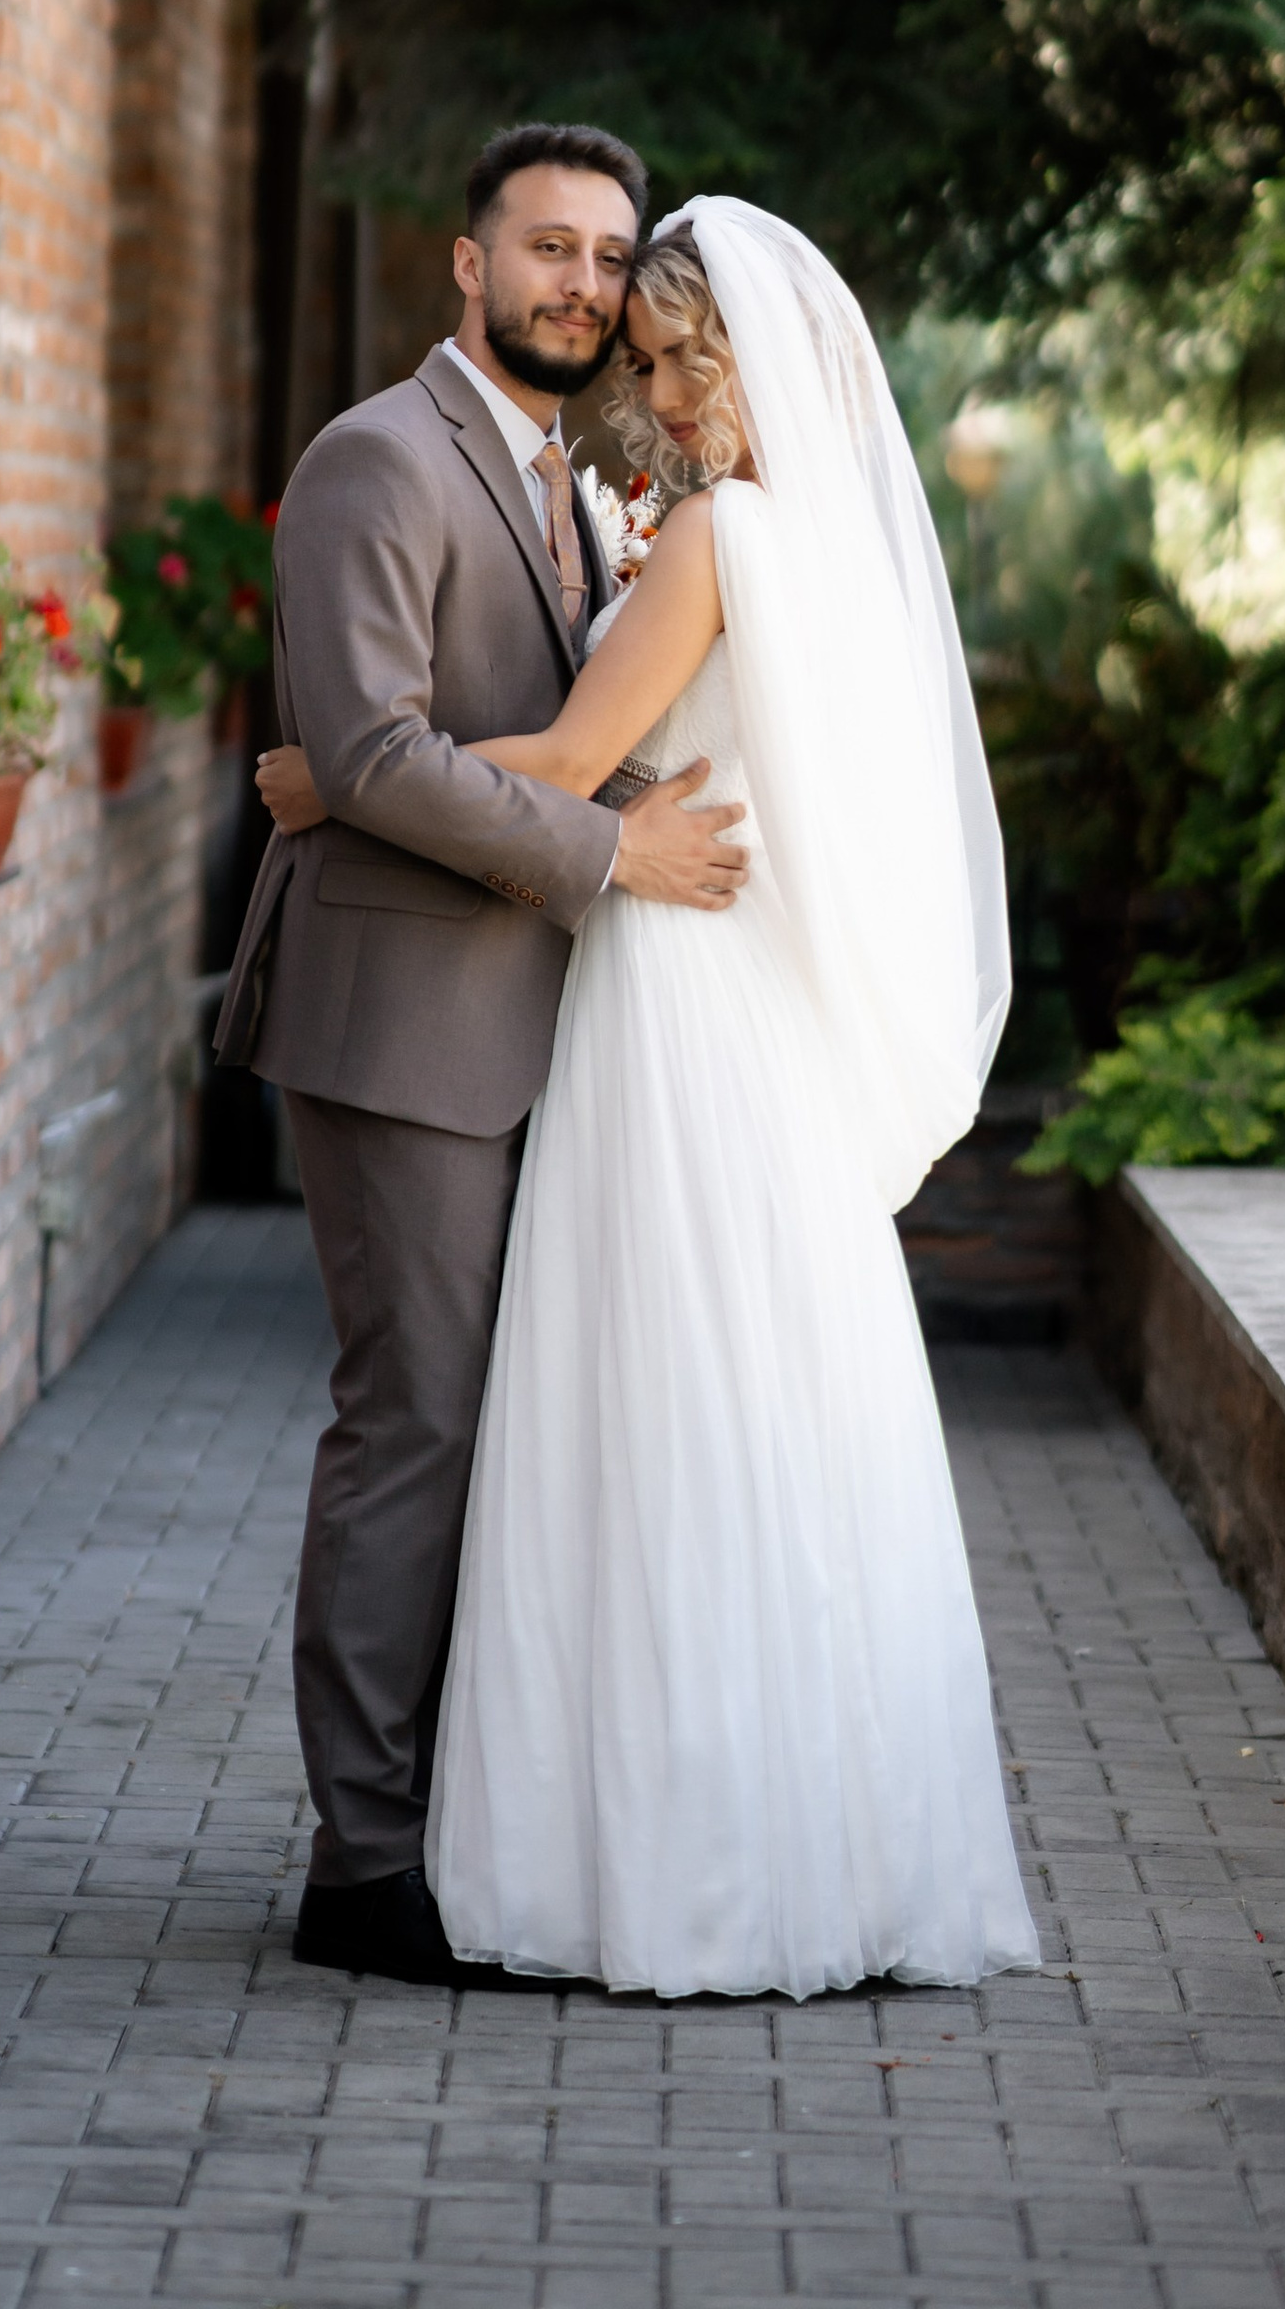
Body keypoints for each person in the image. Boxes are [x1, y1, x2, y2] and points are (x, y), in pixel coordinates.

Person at [257, 197, 1040, 1999]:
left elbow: (566, 760)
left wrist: (340, 781)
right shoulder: (832, 552)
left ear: (771, 364)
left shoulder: (712, 533)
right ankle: (789, 1846)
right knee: (766, 1430)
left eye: (696, 360)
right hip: (753, 1021)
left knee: (636, 1423)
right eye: (658, 359)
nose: (672, 393)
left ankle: (624, 1851)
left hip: (674, 1006)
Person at [213, 124, 754, 1991]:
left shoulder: (580, 483)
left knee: (502, 1432)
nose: (582, 287)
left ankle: (457, 1818)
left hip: (540, 1025)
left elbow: (523, 727)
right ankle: (360, 1868)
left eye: (609, 260)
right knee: (416, 1421)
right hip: (401, 1028)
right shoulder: (376, 460)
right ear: (467, 262)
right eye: (548, 248)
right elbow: (366, 756)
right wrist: (617, 851)